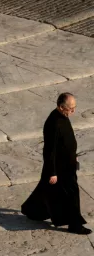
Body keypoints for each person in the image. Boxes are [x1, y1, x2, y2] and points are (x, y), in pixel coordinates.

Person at [21, 92, 92, 235]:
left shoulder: (63, 116)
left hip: (68, 163)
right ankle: (75, 225)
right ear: (61, 107)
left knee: (45, 190)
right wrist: (52, 172)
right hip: (60, 168)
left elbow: (66, 141)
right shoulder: (53, 123)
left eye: (74, 107)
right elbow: (49, 151)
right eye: (70, 108)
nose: (73, 111)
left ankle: (30, 210)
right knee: (71, 194)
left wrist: (74, 156)